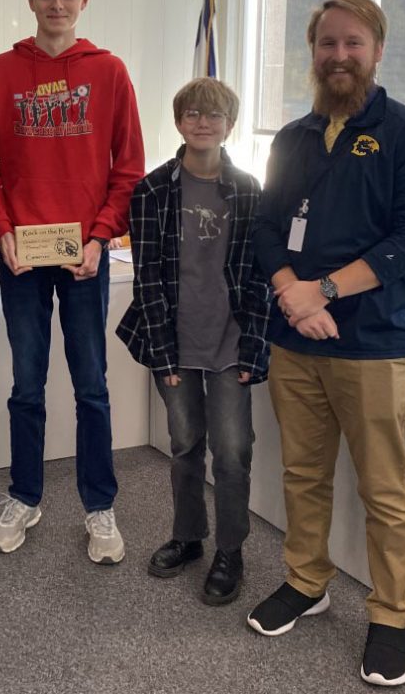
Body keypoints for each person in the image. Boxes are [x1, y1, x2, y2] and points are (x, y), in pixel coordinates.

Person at [249, 0, 405, 687]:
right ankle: (307, 581)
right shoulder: (294, 137)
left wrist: (322, 291)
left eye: (352, 44)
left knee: (384, 489)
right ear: (313, 52)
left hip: (373, 342)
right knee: (303, 473)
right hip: (297, 337)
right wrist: (289, 292)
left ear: (378, 50)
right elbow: (267, 224)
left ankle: (391, 616)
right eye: (327, 44)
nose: (338, 56)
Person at [0, 0, 144, 563]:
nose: (57, 5)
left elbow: (129, 169)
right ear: (31, 0)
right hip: (21, 258)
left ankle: (100, 506)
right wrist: (1, 228)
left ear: (84, 0)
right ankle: (25, 495)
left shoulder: (110, 72)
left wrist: (100, 237)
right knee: (26, 385)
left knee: (92, 386)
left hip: (84, 259)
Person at [117, 78, 270, 604]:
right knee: (184, 447)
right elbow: (147, 279)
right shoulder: (153, 190)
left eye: (214, 115)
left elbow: (257, 276)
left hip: (231, 343)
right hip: (174, 339)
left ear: (230, 124)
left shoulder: (249, 189)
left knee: (232, 452)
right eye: (192, 114)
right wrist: (162, 356)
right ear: (179, 121)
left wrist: (254, 346)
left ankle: (231, 549)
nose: (202, 123)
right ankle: (188, 537)